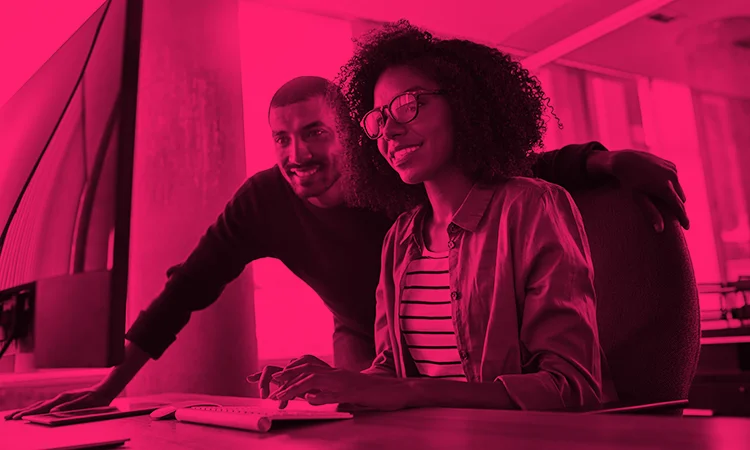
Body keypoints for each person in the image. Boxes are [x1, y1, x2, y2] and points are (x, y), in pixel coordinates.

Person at [7, 65, 685, 418]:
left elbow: (515, 170)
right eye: (281, 138)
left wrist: (607, 161)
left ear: (349, 134)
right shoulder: (262, 201)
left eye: (314, 133)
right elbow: (187, 289)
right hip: (370, 338)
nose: (296, 153)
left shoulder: (395, 176)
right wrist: (108, 389)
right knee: (352, 413)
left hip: (462, 343)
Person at [261, 20, 621, 411]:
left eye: (407, 104)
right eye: (379, 117)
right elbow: (391, 374)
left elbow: (570, 387)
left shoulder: (532, 207)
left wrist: (409, 392)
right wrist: (332, 381)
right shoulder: (400, 237)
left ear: (464, 103)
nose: (389, 131)